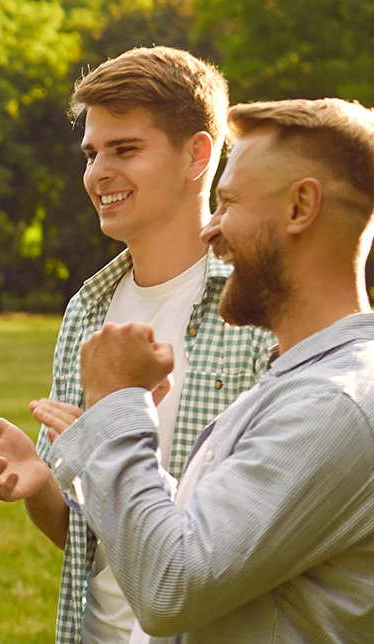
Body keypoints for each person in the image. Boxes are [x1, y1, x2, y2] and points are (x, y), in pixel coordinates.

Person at [0, 47, 277, 644]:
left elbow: (260, 534)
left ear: (197, 154)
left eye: (125, 149)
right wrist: (39, 482)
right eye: (92, 153)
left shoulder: (262, 308)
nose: (98, 172)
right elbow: (85, 534)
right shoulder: (88, 309)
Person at [43, 97, 374, 640]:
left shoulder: (333, 402)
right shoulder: (300, 380)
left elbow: (170, 585)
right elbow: (210, 538)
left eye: (228, 203)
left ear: (300, 207)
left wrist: (117, 406)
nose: (210, 230)